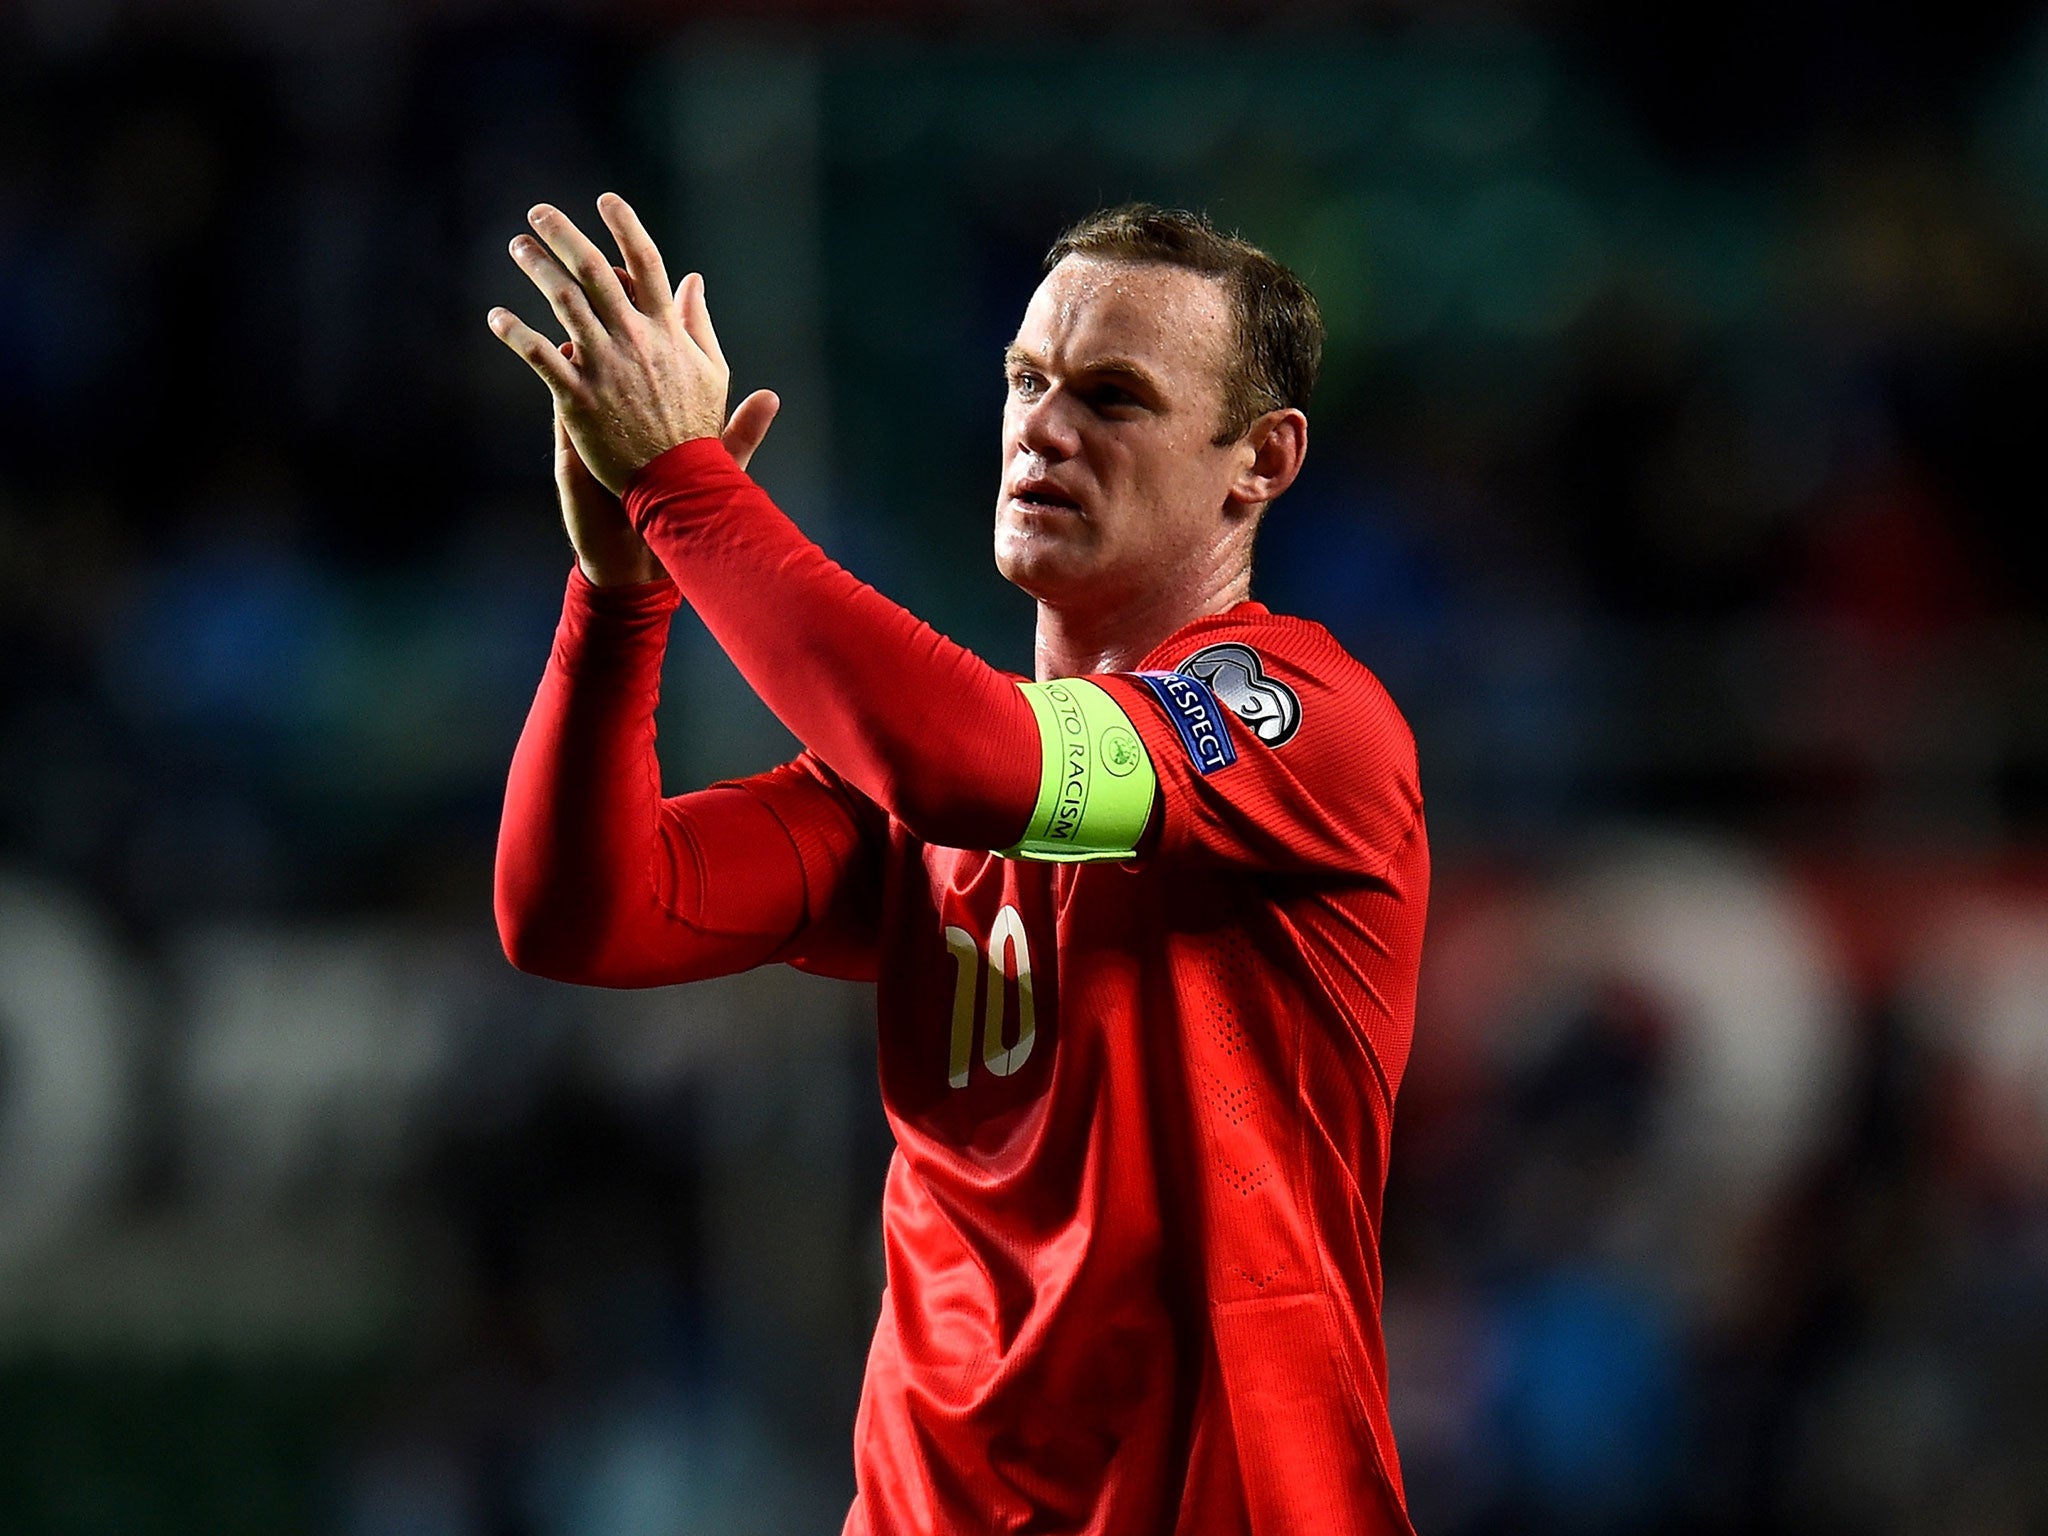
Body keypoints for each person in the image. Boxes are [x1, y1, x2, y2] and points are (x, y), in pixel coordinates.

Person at [489, 196, 1428, 1535]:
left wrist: (686, 485)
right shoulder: (924, 797)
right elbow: (582, 914)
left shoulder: (1299, 720)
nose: (1045, 426)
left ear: (1259, 462)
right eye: (1026, 380)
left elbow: (967, 767)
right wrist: (622, 593)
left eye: (1113, 397)